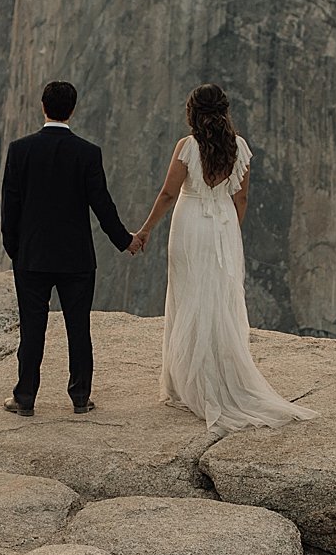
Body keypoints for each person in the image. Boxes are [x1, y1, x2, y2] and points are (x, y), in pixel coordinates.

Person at [130, 82, 316, 436]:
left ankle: (186, 381)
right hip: (223, 226)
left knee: (188, 297)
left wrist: (145, 230)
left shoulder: (187, 147)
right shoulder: (239, 147)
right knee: (218, 298)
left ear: (193, 112)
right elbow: (241, 198)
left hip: (190, 226)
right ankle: (222, 374)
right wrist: (230, 232)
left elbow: (170, 192)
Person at [0, 79, 135, 415]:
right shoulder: (87, 153)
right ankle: (79, 397)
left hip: (32, 257)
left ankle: (25, 397)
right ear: (72, 110)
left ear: (43, 107)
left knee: (32, 330)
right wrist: (126, 241)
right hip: (76, 259)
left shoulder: (20, 150)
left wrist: (15, 250)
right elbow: (102, 205)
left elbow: (10, 208)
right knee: (79, 328)